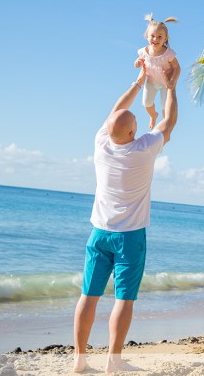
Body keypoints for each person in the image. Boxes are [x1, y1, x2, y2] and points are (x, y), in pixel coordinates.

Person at [73, 63, 178, 374]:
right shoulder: (143, 149)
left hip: (99, 234)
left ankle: (80, 360)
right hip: (129, 237)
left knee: (88, 297)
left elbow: (115, 112)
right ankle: (113, 362)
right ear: (134, 132)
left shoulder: (101, 144)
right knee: (124, 300)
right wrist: (170, 88)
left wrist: (139, 82)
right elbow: (168, 122)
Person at [134, 14, 181, 129]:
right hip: (151, 82)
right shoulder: (144, 51)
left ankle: (165, 127)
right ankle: (153, 115)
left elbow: (177, 68)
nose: (155, 39)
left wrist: (172, 81)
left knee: (166, 108)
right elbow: (139, 61)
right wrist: (137, 63)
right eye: (152, 36)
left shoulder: (168, 54)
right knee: (146, 103)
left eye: (159, 37)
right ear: (147, 36)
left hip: (165, 84)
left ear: (165, 39)